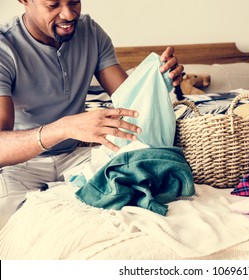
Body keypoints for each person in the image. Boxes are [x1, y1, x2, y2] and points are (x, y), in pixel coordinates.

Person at [0, 0, 184, 229]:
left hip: (76, 158)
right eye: (53, 5)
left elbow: (130, 101)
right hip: (21, 166)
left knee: (148, 173)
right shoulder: (4, 47)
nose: (68, 14)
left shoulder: (90, 32)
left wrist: (157, 80)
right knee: (13, 220)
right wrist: (64, 128)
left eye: (74, 1)